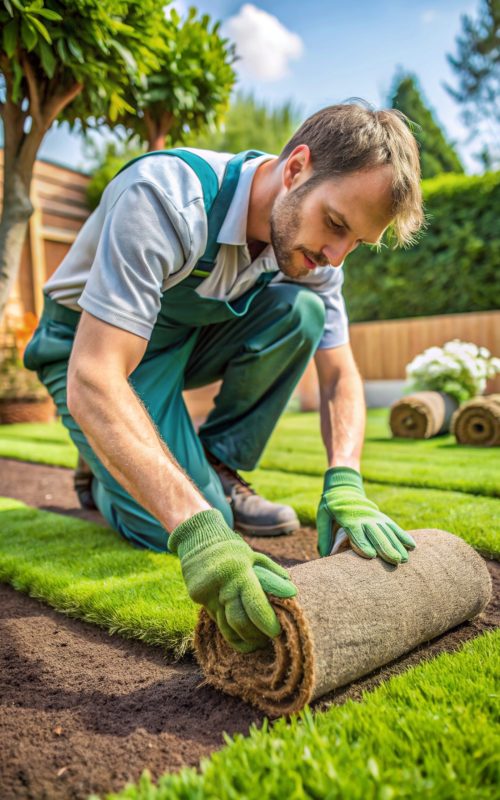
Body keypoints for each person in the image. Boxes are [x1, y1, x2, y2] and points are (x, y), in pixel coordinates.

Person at [25, 102, 424, 654]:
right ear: (295, 169)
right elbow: (95, 376)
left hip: (184, 338)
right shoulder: (167, 198)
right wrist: (198, 528)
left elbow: (339, 376)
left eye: (356, 241)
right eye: (335, 224)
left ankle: (212, 462)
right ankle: (103, 469)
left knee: (301, 312)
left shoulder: (317, 256)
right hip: (90, 348)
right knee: (179, 518)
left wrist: (347, 480)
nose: (336, 256)